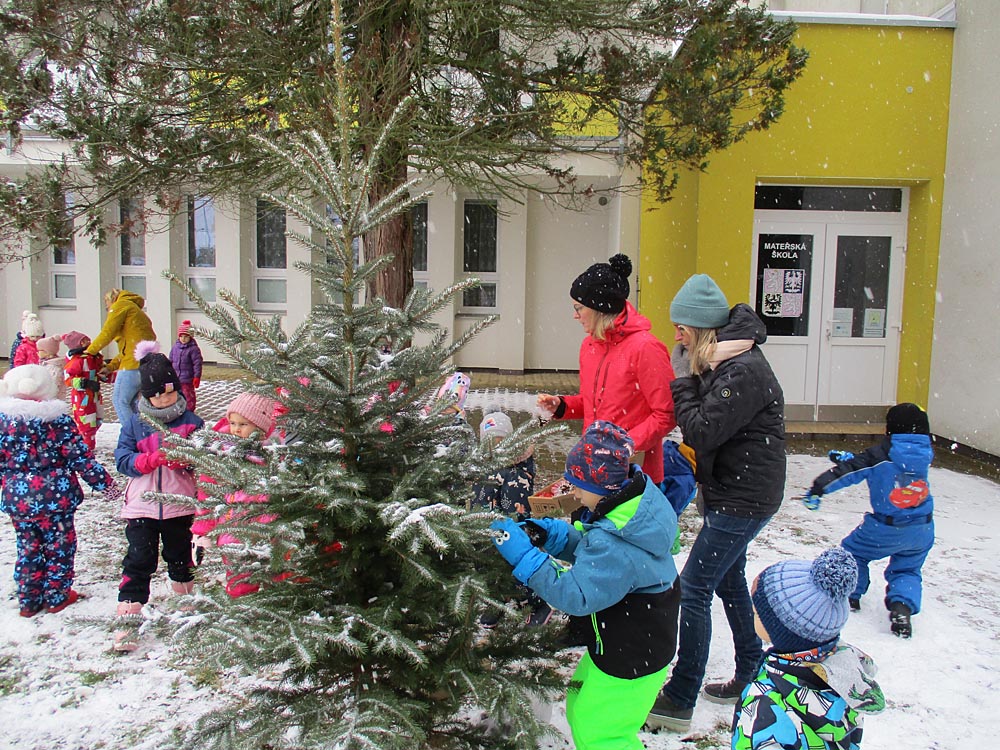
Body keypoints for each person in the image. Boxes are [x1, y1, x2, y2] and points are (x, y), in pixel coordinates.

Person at [648, 273, 786, 732]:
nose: (676, 337)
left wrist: (683, 381)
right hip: (732, 490)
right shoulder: (725, 360)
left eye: (681, 328)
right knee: (726, 581)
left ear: (702, 328)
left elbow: (703, 430)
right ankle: (751, 671)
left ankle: (681, 696)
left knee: (693, 588)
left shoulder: (742, 369)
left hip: (745, 497)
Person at [491, 420, 680, 750]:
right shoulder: (628, 514)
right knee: (581, 709)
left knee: (602, 734)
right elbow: (600, 553)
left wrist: (526, 558)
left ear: (603, 487)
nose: (573, 492)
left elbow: (576, 595)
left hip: (632, 655)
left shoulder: (617, 543)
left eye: (578, 485)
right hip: (622, 641)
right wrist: (556, 536)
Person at [536, 253, 675, 485]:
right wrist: (563, 406)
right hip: (593, 468)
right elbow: (596, 404)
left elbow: (666, 414)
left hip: (634, 475)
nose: (575, 315)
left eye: (579, 307)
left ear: (599, 308)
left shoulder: (646, 348)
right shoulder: (590, 346)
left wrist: (623, 445)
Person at [803, 402, 934, 639]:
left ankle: (852, 595)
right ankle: (901, 609)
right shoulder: (923, 454)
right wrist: (853, 459)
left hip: (885, 527)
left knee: (853, 553)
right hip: (921, 528)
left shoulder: (878, 456)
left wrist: (819, 488)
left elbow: (854, 471)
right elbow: (890, 470)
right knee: (907, 568)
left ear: (890, 429)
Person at [732, 548, 885, 750]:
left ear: (780, 631)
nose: (752, 615)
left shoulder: (765, 702)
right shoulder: (849, 674)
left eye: (756, 613)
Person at [0, 364, 119, 617]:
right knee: (59, 547)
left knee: (27, 547)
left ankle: (29, 599)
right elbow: (81, 458)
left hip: (19, 501)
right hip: (57, 499)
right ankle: (56, 595)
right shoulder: (58, 421)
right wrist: (107, 486)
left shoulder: (4, 424)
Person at [112, 341, 204, 652]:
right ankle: (128, 618)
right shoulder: (135, 424)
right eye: (156, 394)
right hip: (142, 507)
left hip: (180, 506)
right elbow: (122, 459)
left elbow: (206, 458)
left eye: (170, 392)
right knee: (139, 559)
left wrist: (188, 459)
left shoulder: (192, 423)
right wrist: (146, 461)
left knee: (180, 556)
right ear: (145, 396)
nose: (164, 399)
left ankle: (188, 602)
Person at [190, 391, 282, 597]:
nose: (236, 430)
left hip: (268, 530)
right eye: (233, 423)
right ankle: (241, 610)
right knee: (240, 578)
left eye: (243, 425)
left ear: (260, 427)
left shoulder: (275, 453)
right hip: (234, 530)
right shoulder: (223, 453)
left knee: (275, 577)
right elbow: (207, 493)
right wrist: (203, 528)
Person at [472, 408, 551, 626]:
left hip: (512, 532)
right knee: (488, 567)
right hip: (484, 528)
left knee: (516, 566)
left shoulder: (518, 468)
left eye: (500, 440)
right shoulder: (482, 463)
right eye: (489, 441)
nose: (495, 446)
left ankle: (536, 603)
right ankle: (498, 601)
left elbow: (518, 505)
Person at [84, 288, 156, 421]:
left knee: (119, 401)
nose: (108, 309)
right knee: (133, 404)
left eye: (107, 305)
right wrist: (111, 367)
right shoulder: (134, 310)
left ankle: (132, 436)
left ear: (111, 300)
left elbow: (107, 333)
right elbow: (129, 349)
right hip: (145, 365)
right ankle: (141, 436)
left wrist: (89, 352)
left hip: (132, 366)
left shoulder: (121, 305)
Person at [62, 331, 106, 451]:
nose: (90, 341)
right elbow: (68, 378)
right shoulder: (78, 361)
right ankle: (87, 448)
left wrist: (111, 376)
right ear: (81, 343)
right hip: (82, 398)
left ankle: (84, 440)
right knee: (86, 422)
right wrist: (85, 383)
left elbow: (101, 372)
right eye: (86, 340)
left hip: (95, 396)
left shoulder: (94, 358)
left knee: (98, 419)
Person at [170, 320, 203, 414]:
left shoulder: (193, 349)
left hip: (187, 378)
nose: (183, 339)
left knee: (188, 396)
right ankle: (178, 410)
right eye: (181, 336)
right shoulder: (175, 347)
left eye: (186, 336)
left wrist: (197, 376)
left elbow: (197, 363)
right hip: (176, 377)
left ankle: (189, 411)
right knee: (176, 395)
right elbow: (171, 360)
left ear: (190, 337)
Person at [35, 335, 67, 400]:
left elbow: (53, 383)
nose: (37, 352)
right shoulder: (45, 363)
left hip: (55, 397)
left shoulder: (54, 367)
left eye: (40, 350)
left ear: (47, 352)